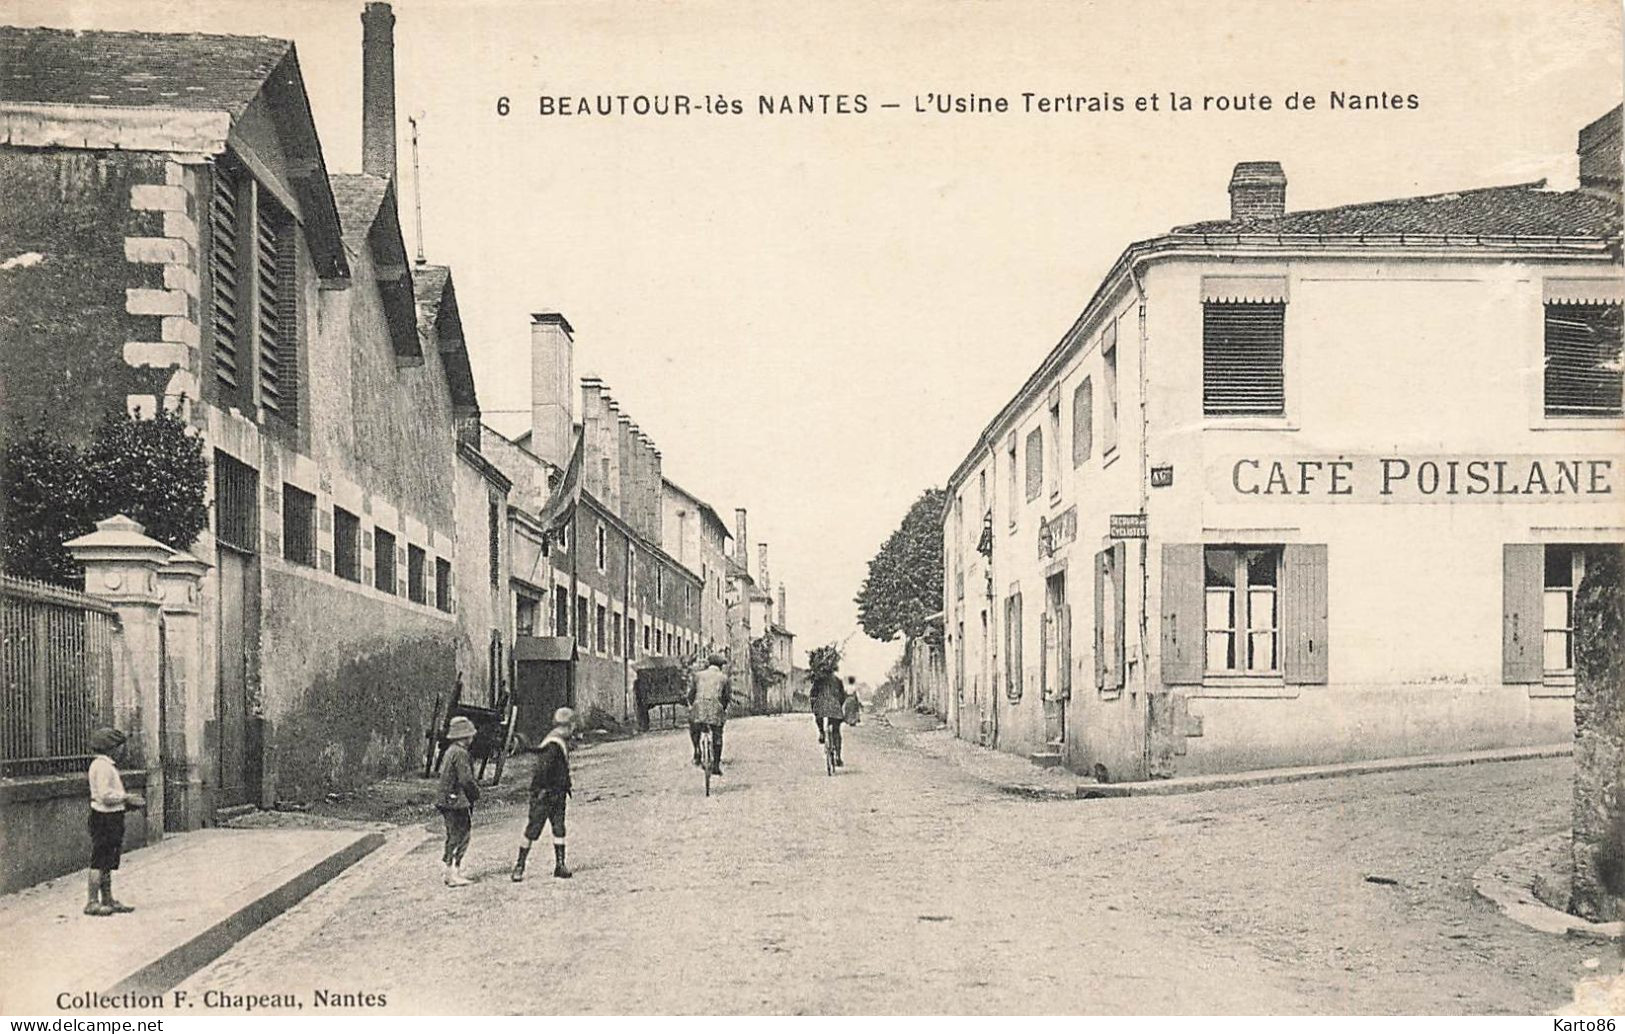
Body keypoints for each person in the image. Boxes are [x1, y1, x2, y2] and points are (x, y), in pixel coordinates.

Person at [86, 727, 144, 916]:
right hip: (104, 817)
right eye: (119, 747)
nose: (121, 751)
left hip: (110, 816)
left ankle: (108, 899)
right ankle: (93, 901)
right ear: (110, 747)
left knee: (108, 859)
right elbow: (105, 795)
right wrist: (126, 797)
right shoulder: (102, 767)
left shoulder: (105, 765)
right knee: (99, 859)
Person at [512, 707, 575, 881]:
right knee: (533, 830)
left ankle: (560, 865)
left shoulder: (557, 741)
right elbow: (542, 772)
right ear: (568, 726)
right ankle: (519, 865)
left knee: (559, 828)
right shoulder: (553, 745)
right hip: (545, 795)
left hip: (557, 794)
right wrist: (540, 791)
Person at [436, 715, 480, 887]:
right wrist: (475, 794)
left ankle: (449, 872)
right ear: (465, 736)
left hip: (446, 799)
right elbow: (466, 780)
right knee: (461, 835)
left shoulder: (450, 751)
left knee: (452, 835)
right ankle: (454, 872)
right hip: (456, 801)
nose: (472, 737)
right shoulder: (461, 754)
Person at [687, 653, 731, 776]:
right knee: (718, 735)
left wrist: (693, 705)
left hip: (698, 709)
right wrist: (723, 708)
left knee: (694, 728)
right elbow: (726, 697)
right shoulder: (723, 678)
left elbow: (691, 695)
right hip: (715, 710)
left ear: (708, 664)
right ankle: (716, 765)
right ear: (720, 666)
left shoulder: (698, 676)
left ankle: (697, 751)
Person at [813, 670, 848, 766]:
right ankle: (838, 756)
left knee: (818, 717)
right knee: (836, 731)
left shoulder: (818, 680)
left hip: (822, 707)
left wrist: (814, 706)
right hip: (835, 708)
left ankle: (821, 733)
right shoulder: (837, 680)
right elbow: (843, 696)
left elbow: (813, 695)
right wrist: (838, 705)